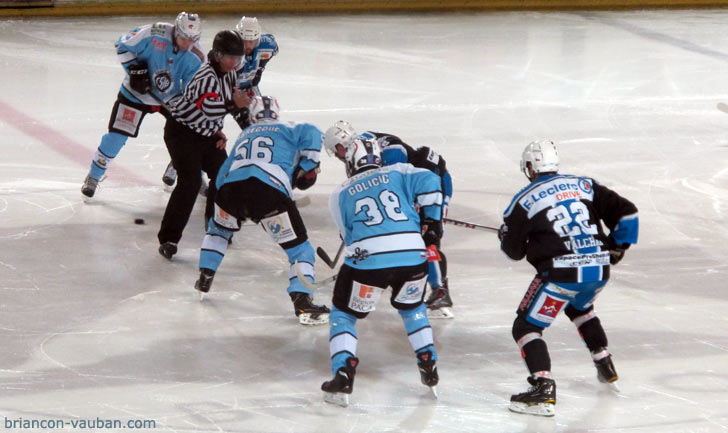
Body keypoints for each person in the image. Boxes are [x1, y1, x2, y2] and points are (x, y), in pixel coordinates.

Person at [499, 140, 639, 417]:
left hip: (561, 275)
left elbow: (514, 252)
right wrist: (618, 246)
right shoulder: (586, 185)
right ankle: (604, 362)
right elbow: (629, 213)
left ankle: (542, 389)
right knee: (580, 307)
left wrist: (506, 236)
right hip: (598, 271)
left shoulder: (522, 201)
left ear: (529, 167)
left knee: (525, 327)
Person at [321, 137, 444, 407]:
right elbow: (431, 180)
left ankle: (343, 371)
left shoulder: (339, 193)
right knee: (413, 309)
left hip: (368, 263)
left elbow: (348, 237)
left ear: (351, 162)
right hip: (413, 255)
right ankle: (428, 362)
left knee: (344, 314)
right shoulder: (400, 171)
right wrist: (431, 221)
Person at [194, 96, 330, 326]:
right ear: (276, 112)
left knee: (218, 231)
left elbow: (219, 177)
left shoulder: (243, 135)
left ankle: (205, 274)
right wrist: (309, 164)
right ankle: (302, 300)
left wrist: (224, 204)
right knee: (300, 251)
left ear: (252, 115)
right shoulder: (288, 127)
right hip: (268, 190)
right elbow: (314, 131)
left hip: (230, 190)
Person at [323, 121, 455, 318]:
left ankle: (440, 290)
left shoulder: (372, 145)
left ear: (341, 144)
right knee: (418, 236)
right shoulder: (364, 148)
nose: (337, 157)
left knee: (428, 237)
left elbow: (396, 170)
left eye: (335, 151)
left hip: (435, 183)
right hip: (421, 185)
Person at [81, 12, 203, 199]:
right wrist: (135, 71)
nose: (187, 43)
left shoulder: (196, 57)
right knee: (116, 137)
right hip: (135, 95)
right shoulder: (155, 32)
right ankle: (94, 176)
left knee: (191, 134)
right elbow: (122, 45)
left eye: (192, 39)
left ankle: (184, 168)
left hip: (170, 99)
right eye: (184, 38)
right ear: (176, 30)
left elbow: (191, 90)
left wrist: (188, 111)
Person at [157, 30, 249, 260]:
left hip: (206, 134)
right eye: (229, 57)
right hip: (182, 134)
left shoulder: (230, 74)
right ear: (217, 55)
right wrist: (231, 107)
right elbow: (208, 108)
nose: (234, 62)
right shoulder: (205, 75)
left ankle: (215, 227)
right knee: (190, 182)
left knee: (223, 176)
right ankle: (168, 238)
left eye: (237, 58)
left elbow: (217, 110)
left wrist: (218, 130)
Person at [162, 16, 279, 187]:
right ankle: (180, 164)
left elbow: (271, 50)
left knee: (259, 127)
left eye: (253, 41)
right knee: (207, 126)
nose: (248, 46)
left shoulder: (268, 45)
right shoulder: (227, 55)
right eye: (245, 41)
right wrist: (232, 104)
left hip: (247, 89)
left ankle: (262, 172)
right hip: (230, 90)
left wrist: (258, 72)